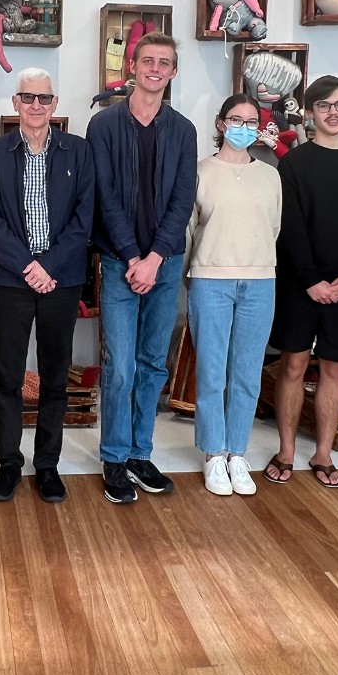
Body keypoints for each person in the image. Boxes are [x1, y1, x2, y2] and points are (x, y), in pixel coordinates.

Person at [87, 31, 197, 504]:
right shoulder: (104, 126)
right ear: (132, 67)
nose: (155, 68)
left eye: (164, 62)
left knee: (153, 362)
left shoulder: (183, 130)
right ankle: (113, 456)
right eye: (147, 60)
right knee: (120, 365)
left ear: (173, 72)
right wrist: (134, 257)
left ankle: (139, 453)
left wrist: (154, 258)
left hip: (166, 263)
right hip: (118, 263)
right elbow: (105, 198)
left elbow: (182, 199)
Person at [0, 68, 94, 503]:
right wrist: (29, 266)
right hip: (11, 280)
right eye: (27, 98)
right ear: (15, 103)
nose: (35, 106)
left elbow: (84, 218)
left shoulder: (78, 152)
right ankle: (8, 463)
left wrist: (49, 267)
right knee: (8, 376)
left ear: (55, 103)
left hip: (61, 281)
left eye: (44, 99)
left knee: (53, 377)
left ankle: (47, 465)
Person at [264, 75, 338, 489]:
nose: (332, 112)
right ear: (311, 113)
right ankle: (285, 451)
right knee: (293, 365)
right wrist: (312, 280)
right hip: (300, 284)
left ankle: (323, 453)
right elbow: (290, 228)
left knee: (335, 368)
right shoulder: (295, 163)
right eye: (323, 106)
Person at [186, 93, 281, 496]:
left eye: (250, 121)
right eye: (235, 119)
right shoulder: (200, 171)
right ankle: (212, 452)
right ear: (222, 123)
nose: (242, 127)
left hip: (260, 280)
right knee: (211, 370)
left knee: (246, 371)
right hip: (210, 279)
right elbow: (190, 228)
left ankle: (236, 452)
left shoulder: (270, 174)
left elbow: (273, 227)